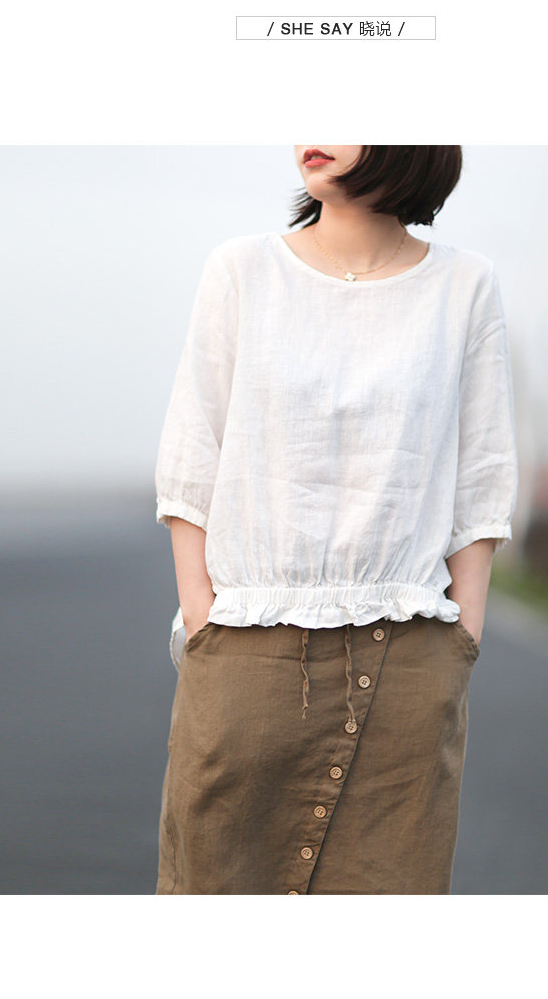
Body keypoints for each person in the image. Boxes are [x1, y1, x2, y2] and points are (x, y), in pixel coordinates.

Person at [153, 145, 518, 895]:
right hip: (248, 644)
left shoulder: (464, 285)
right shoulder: (242, 270)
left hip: (410, 651)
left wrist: (463, 637)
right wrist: (202, 616)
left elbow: (481, 469)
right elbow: (194, 450)